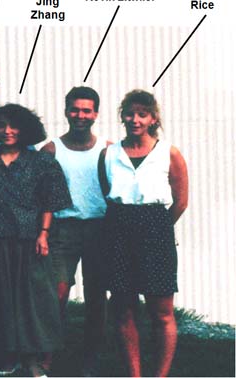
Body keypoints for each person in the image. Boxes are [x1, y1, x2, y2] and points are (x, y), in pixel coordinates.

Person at [0, 104, 71, 377]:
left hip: (29, 240)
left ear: (25, 130)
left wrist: (43, 234)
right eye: (2, 125)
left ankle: (33, 358)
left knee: (33, 300)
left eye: (14, 126)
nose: (7, 131)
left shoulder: (42, 162)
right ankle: (7, 356)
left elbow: (50, 201)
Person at [97, 90, 188, 377]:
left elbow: (181, 200)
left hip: (155, 231)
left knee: (161, 311)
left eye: (142, 114)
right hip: (118, 230)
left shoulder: (168, 153)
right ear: (122, 116)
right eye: (130, 113)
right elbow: (107, 191)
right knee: (123, 308)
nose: (135, 119)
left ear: (153, 119)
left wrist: (157, 229)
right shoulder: (109, 154)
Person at [40, 86, 110, 376]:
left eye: (86, 110)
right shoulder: (51, 150)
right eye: (75, 109)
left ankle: (90, 358)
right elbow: (41, 196)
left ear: (95, 114)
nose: (80, 115)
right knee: (56, 294)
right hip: (62, 230)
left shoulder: (108, 150)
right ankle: (48, 355)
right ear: (66, 111)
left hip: (99, 229)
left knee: (96, 297)